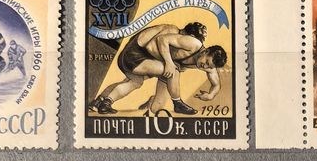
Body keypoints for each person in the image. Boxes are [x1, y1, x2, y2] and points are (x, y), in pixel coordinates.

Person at [90, 20, 227, 116]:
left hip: (146, 59)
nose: (205, 67)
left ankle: (101, 102)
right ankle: (177, 103)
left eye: (209, 66)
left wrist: (210, 95)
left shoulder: (207, 63)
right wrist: (169, 62)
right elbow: (152, 46)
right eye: (206, 62)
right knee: (173, 71)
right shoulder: (184, 39)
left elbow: (216, 84)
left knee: (136, 83)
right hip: (135, 54)